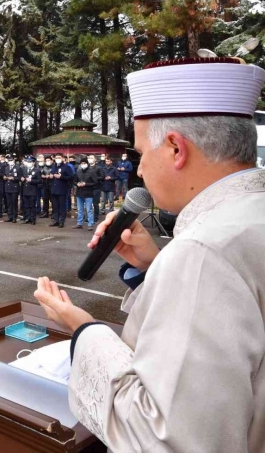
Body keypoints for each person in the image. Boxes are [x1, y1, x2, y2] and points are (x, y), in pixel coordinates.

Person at [34, 56, 265, 453]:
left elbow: (163, 436)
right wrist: (155, 265)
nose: (139, 170)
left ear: (176, 148)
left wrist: (85, 331)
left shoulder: (202, 252)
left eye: (142, 152)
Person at [49, 153, 72, 228]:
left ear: (62, 158)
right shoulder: (53, 166)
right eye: (56, 158)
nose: (57, 159)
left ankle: (61, 221)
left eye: (59, 157)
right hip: (54, 189)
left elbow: (71, 176)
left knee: (62, 206)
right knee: (55, 206)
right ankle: (56, 220)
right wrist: (51, 176)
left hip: (62, 189)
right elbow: (52, 174)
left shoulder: (66, 167)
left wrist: (61, 176)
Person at [73, 157, 97, 230]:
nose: (83, 164)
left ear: (87, 164)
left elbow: (95, 182)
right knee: (80, 209)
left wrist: (86, 184)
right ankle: (79, 223)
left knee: (89, 209)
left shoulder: (92, 171)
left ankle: (90, 224)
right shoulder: (78, 171)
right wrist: (77, 184)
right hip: (79, 192)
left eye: (84, 163)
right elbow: (74, 181)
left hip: (88, 193)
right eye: (82, 163)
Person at [20, 157, 41, 225]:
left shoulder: (37, 170)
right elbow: (22, 178)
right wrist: (22, 179)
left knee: (32, 205)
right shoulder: (24, 169)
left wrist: (31, 180)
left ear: (33, 163)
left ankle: (33, 219)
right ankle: (27, 218)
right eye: (28, 162)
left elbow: (39, 180)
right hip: (25, 190)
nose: (29, 163)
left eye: (30, 162)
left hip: (32, 190)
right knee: (26, 205)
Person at [3, 154, 21, 223]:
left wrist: (14, 178)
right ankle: (9, 216)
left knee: (14, 203)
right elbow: (5, 175)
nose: (10, 161)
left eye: (11, 160)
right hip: (7, 187)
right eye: (9, 160)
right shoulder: (6, 168)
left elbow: (20, 177)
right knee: (9, 203)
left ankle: (14, 217)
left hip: (14, 187)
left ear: (14, 160)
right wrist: (4, 177)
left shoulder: (18, 168)